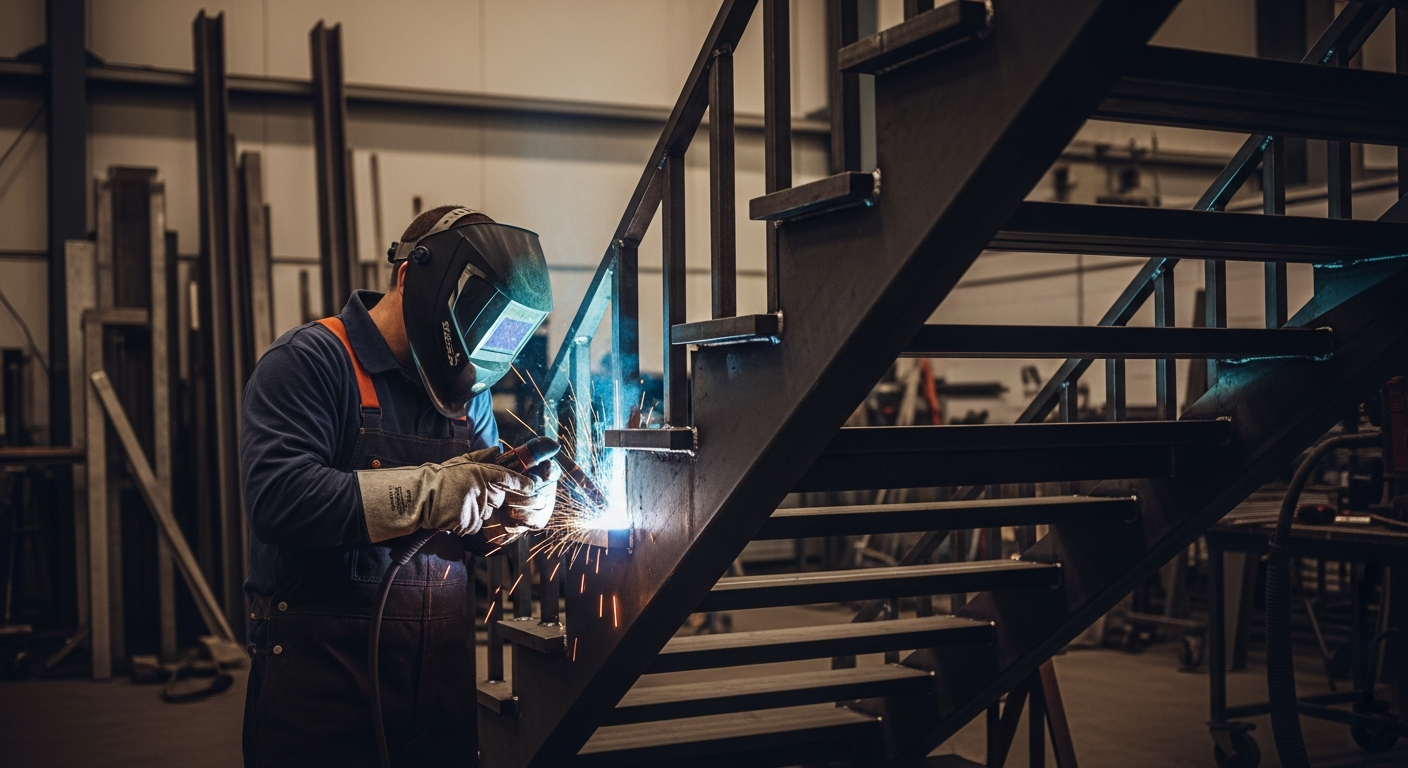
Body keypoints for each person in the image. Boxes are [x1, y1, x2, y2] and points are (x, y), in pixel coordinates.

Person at [239, 207, 557, 767]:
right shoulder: (309, 363)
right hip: (323, 691)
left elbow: (468, 526)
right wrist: (432, 493)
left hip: (439, 691)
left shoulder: (467, 396)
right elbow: (277, 498)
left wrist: (511, 514)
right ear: (412, 277)